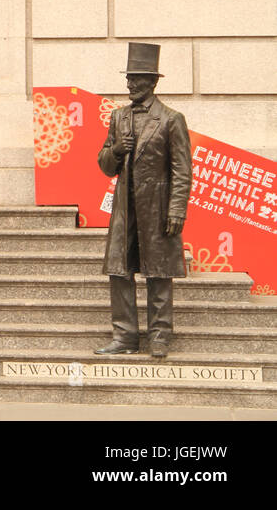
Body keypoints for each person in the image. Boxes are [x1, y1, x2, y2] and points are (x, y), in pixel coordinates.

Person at [94, 42, 191, 359]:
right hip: (125, 206)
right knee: (119, 271)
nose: (129, 84)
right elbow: (105, 166)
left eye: (135, 78)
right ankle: (125, 336)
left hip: (157, 206)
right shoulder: (118, 117)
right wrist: (116, 149)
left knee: (159, 271)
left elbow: (182, 170)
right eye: (128, 78)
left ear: (151, 82)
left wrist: (177, 210)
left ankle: (160, 335)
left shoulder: (171, 119)